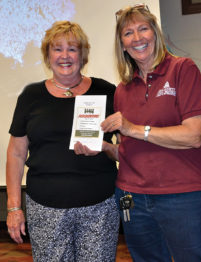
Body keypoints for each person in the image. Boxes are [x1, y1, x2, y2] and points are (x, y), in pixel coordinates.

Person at [100, 4, 201, 262]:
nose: (137, 38)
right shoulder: (122, 89)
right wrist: (104, 148)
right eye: (128, 33)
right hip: (132, 197)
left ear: (155, 33)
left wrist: (134, 128)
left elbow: (194, 135)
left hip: (182, 196)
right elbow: (130, 151)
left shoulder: (182, 70)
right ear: (122, 44)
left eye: (143, 29)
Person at [6, 21, 119, 262]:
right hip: (45, 208)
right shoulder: (31, 96)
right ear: (48, 55)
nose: (65, 56)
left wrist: (107, 148)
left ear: (83, 54)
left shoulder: (108, 92)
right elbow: (16, 154)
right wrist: (14, 208)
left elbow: (129, 151)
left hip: (99, 207)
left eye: (73, 48)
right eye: (57, 49)